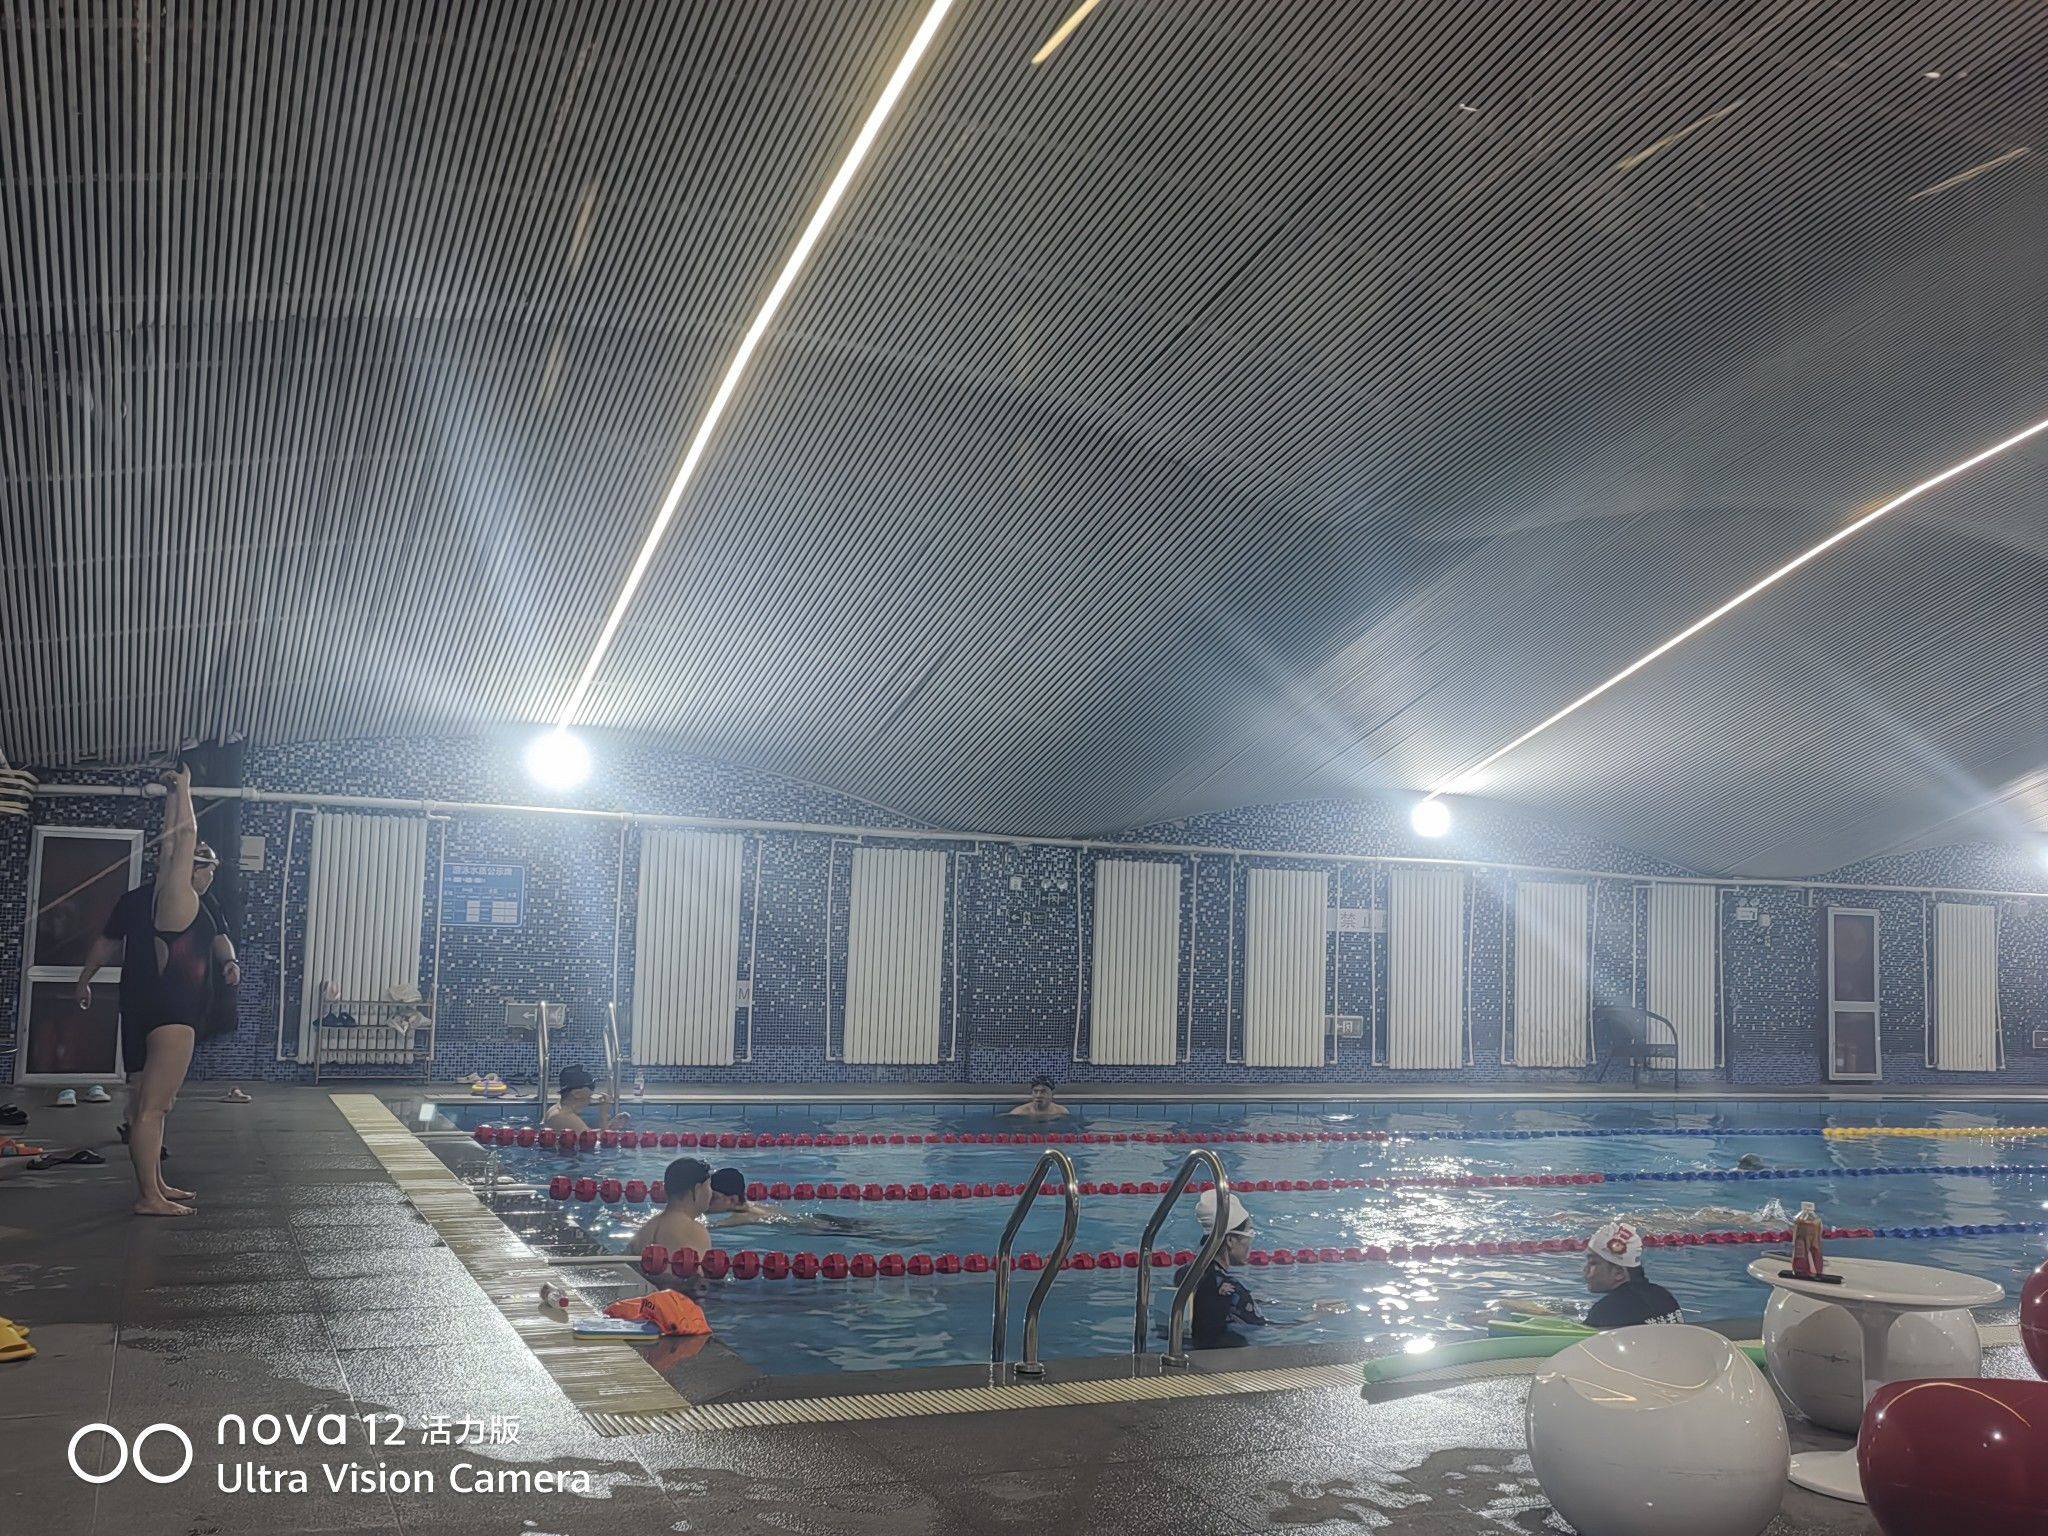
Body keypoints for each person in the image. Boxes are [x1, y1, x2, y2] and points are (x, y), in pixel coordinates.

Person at [72, 766, 236, 1216]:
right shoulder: (180, 901)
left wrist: (171, 795)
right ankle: (148, 1197)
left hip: (146, 1011)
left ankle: (156, 1184)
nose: (210, 873)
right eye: (206, 865)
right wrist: (185, 788)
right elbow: (182, 839)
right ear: (196, 869)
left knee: (151, 1104)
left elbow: (170, 845)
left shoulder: (164, 896)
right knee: (153, 1109)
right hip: (172, 1016)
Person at [1499, 1219, 1684, 1329]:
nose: (1585, 1270)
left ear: (1619, 1273)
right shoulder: (1663, 1295)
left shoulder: (1607, 1310)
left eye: (1593, 1263)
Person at [1171, 1190, 1267, 1349]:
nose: (1251, 1240)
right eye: (1249, 1232)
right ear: (1230, 1240)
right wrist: (1310, 1319)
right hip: (1222, 1356)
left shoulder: (1184, 1274)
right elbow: (1266, 1330)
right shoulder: (1233, 1290)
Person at [629, 1156, 715, 1261]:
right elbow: (700, 1271)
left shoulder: (646, 1229)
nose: (711, 1192)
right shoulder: (695, 1231)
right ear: (697, 1190)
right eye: (709, 1185)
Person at [542, 1065, 627, 1133]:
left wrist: (611, 1126)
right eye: (591, 1087)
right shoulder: (564, 1116)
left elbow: (587, 1133)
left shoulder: (557, 1109)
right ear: (577, 1093)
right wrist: (604, 1115)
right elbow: (600, 1142)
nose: (592, 1092)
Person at [705, 1166, 782, 1224]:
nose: (705, 1200)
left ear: (732, 1200)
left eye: (712, 1198)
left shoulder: (740, 1219)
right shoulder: (751, 1206)